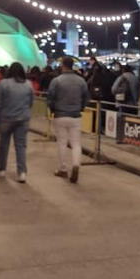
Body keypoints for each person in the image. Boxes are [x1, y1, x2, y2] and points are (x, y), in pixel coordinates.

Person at [47, 56, 90, 184]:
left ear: (62, 66)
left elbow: (50, 98)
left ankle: (63, 169)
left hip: (60, 115)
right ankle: (76, 164)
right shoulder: (81, 81)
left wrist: (53, 110)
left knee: (62, 142)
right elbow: (86, 97)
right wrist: (80, 108)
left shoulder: (56, 81)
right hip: (75, 116)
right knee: (76, 143)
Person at [0, 62, 34, 183]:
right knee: (21, 146)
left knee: (3, 145)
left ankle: (2, 170)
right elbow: (31, 102)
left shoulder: (3, 84)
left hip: (6, 118)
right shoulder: (28, 85)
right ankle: (22, 173)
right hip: (23, 119)